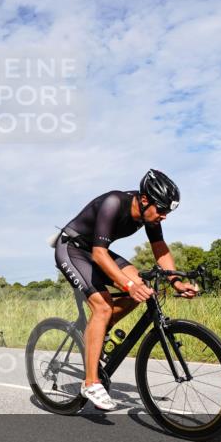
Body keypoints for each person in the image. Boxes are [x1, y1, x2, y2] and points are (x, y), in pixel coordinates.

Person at [54, 169, 198, 411]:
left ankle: (101, 331)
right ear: (144, 200)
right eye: (161, 209)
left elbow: (160, 249)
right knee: (102, 305)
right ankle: (90, 382)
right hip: (73, 248)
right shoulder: (114, 203)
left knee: (144, 289)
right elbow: (99, 254)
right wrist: (127, 285)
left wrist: (175, 281)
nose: (164, 216)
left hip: (94, 251)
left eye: (167, 212)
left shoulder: (149, 216)